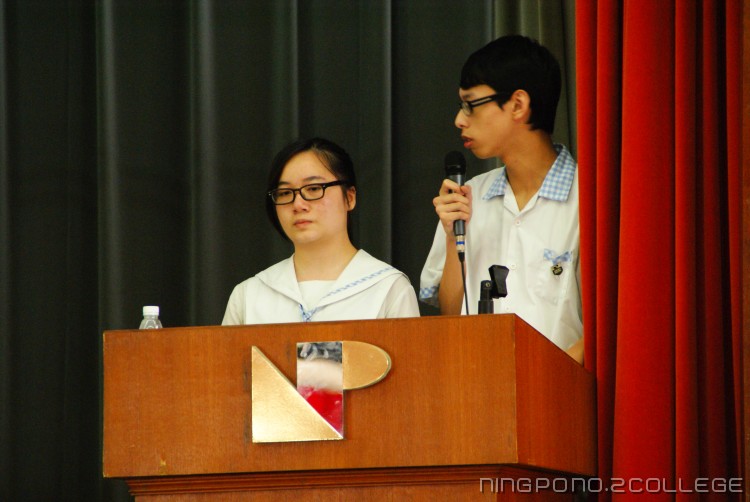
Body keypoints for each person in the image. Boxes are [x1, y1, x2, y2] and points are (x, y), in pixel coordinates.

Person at [419, 35, 583, 364]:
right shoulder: (469, 196)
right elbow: (451, 316)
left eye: (470, 104)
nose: (459, 119)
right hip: (476, 384)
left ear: (518, 105)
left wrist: (546, 380)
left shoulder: (588, 199)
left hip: (560, 387)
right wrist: (452, 239)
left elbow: (610, 324)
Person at [223, 137, 419, 325]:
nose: (298, 204)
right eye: (285, 193)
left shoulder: (388, 288)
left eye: (314, 188)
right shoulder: (249, 295)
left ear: (350, 198)